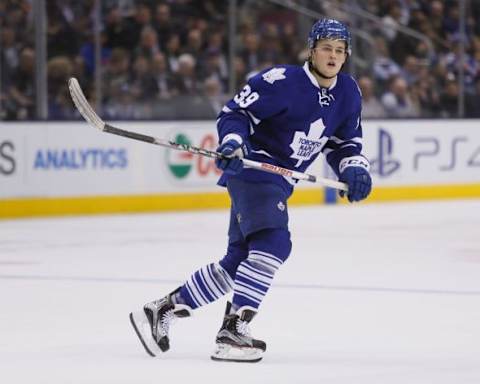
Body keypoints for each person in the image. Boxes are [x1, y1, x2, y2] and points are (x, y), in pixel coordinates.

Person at [129, 18, 372, 363]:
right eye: (325, 48)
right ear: (312, 50)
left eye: (339, 50)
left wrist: (355, 168)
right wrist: (233, 143)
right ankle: (233, 329)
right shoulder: (280, 81)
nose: (332, 56)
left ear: (346, 56)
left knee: (238, 262)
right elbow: (235, 114)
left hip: (280, 181)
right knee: (275, 242)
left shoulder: (348, 92)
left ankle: (162, 309)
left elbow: (344, 142)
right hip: (254, 169)